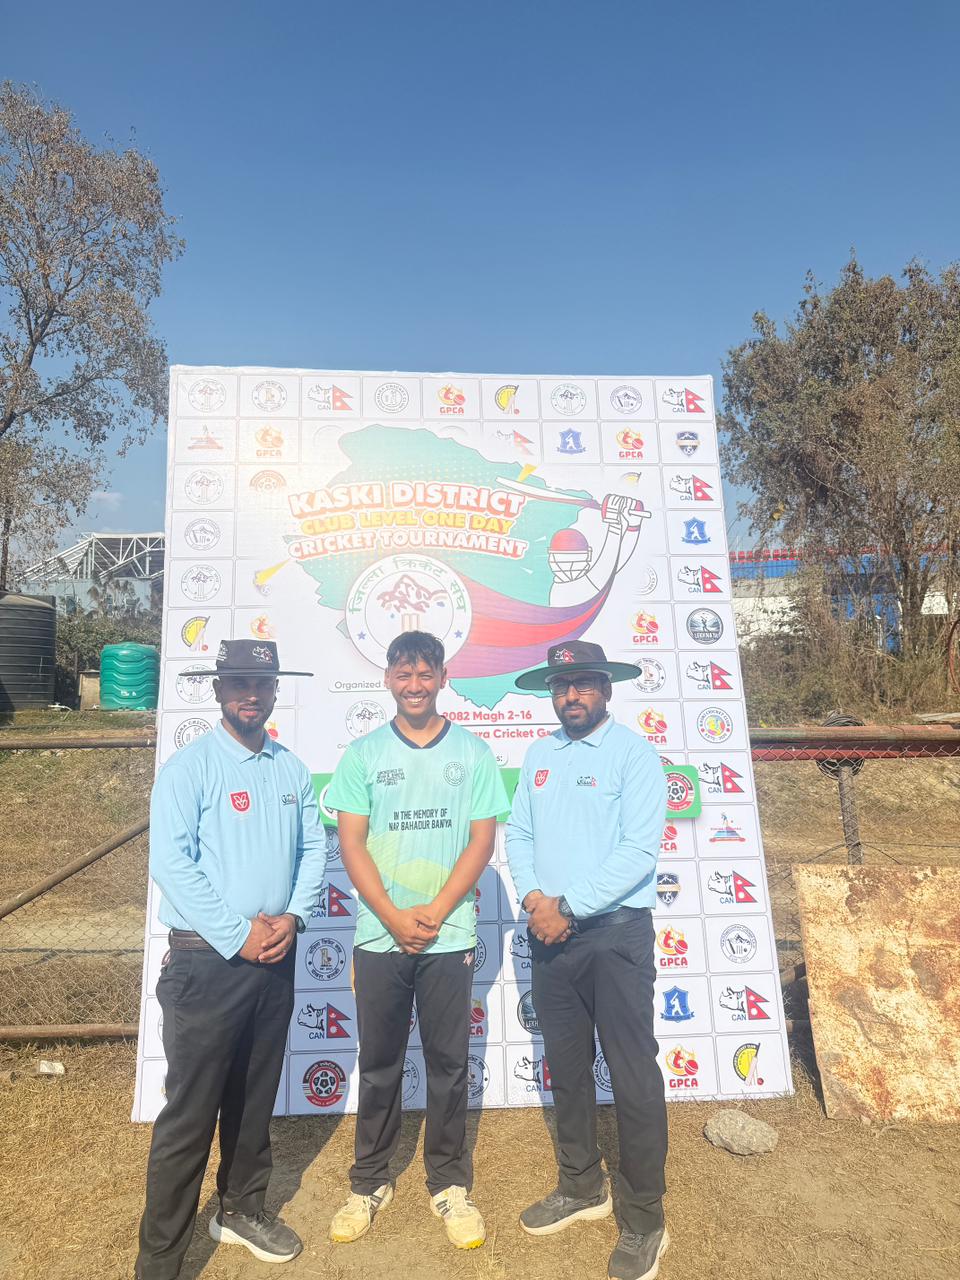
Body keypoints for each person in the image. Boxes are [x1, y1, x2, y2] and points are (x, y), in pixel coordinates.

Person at [135, 640, 326, 1279]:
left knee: (253, 1096)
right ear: (218, 691)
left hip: (275, 957)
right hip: (206, 963)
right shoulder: (190, 767)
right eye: (239, 683)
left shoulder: (291, 769)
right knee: (190, 1115)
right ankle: (161, 1260)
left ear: (275, 692)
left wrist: (293, 917)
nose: (251, 694)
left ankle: (241, 1209)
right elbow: (172, 864)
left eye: (262, 684)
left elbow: (313, 851)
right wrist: (235, 933)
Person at [325, 630, 508, 1251]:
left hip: (448, 933)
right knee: (379, 1065)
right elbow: (351, 842)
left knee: (448, 1065)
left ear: (443, 678)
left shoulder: (474, 753)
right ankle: (369, 1181)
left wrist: (434, 910)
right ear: (387, 680)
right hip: (380, 935)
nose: (414, 685)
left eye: (425, 674)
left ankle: (449, 1183)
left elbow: (481, 841)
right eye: (403, 674)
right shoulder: (363, 754)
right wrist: (391, 914)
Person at [505, 640, 669, 1280]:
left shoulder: (634, 754)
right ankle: (580, 1186)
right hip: (552, 936)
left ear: (606, 688)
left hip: (616, 937)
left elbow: (638, 852)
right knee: (567, 1068)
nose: (570, 695)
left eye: (582, 683)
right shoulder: (540, 755)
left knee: (632, 1075)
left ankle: (644, 1218)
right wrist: (534, 899)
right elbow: (520, 834)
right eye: (560, 685)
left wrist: (567, 905)